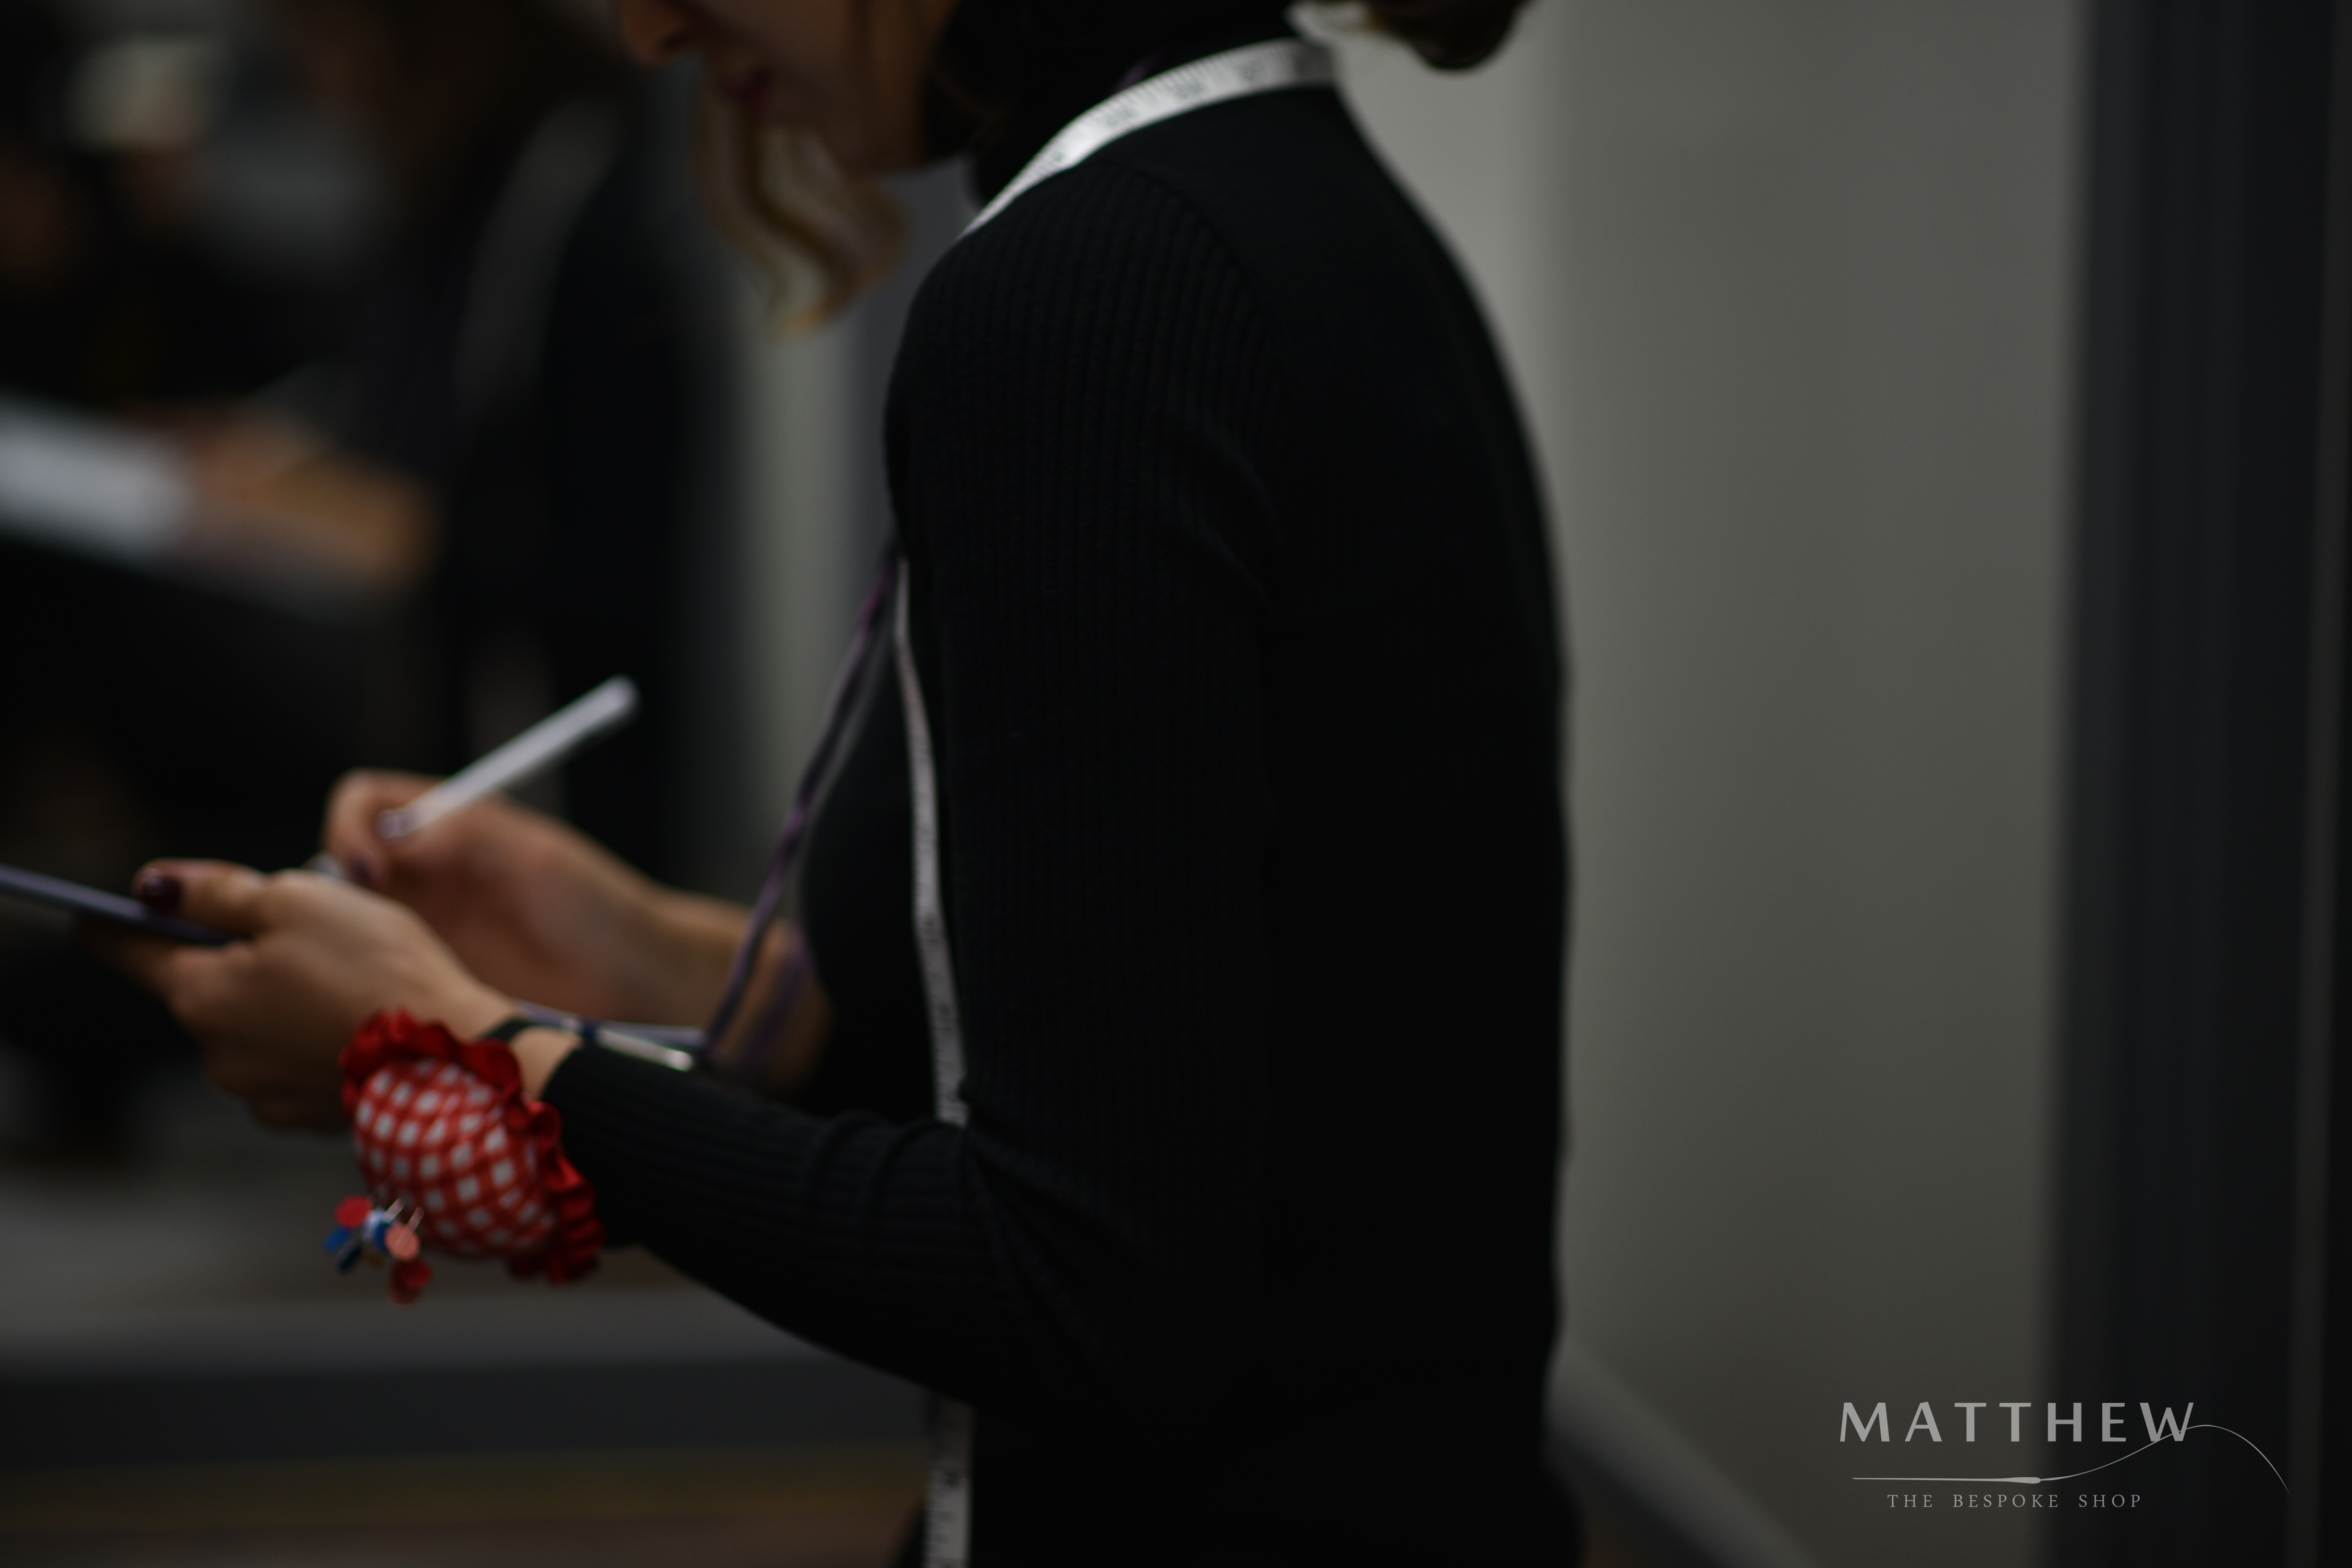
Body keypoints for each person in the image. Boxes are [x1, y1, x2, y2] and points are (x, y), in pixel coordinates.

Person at [100, 0, 1576, 1561]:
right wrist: (683, 973)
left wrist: (481, 1062)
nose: (651, 29)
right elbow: (1205, 1077)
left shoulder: (1088, 294)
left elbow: (1090, 1297)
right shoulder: (1289, 186)